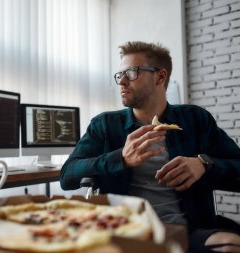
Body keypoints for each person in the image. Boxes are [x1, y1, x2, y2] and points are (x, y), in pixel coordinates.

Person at [60, 41, 240, 253]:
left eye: (132, 72)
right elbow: (67, 176)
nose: (122, 81)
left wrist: (204, 164)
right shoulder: (105, 125)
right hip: (126, 231)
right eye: (120, 75)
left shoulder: (196, 119)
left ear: (160, 77)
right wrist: (121, 158)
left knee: (231, 245)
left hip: (188, 230)